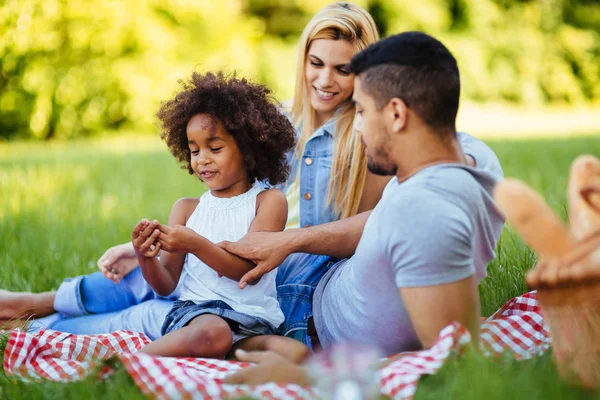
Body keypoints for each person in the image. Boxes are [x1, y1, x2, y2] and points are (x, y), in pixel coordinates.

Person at [1, 3, 501, 345]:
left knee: (167, 297)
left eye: (343, 70)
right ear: (302, 59)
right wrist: (145, 246)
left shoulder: (370, 139)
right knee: (157, 271)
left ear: (366, 75)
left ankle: (48, 323)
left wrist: (287, 241)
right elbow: (224, 196)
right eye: (315, 63)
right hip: (269, 253)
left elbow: (404, 203)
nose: (325, 80)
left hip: (304, 268)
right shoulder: (281, 124)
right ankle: (42, 304)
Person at [221, 31, 505, 385]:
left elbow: (450, 359)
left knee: (176, 311)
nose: (356, 126)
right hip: (318, 275)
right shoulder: (478, 163)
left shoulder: (424, 212)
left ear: (397, 114)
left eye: (362, 110)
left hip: (303, 318)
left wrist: (306, 376)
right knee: (188, 263)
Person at [122, 71, 307, 360]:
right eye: (194, 150)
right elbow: (166, 282)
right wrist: (145, 256)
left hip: (254, 323)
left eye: (215, 148)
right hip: (199, 314)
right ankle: (122, 365)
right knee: (214, 334)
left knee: (295, 353)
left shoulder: (268, 202)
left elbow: (249, 271)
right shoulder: (186, 209)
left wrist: (195, 243)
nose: (202, 159)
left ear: (248, 150)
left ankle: (234, 357)